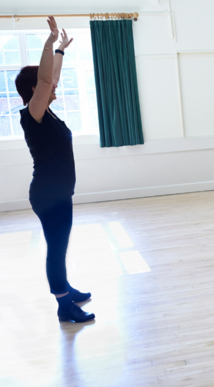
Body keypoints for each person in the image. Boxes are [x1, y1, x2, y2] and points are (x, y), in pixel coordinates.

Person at [14, 16, 94, 323]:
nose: (54, 85)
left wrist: (60, 51)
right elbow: (47, 82)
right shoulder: (32, 114)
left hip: (58, 192)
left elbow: (51, 79)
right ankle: (64, 306)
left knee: (60, 246)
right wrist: (48, 43)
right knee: (56, 248)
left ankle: (65, 288)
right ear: (34, 89)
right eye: (45, 84)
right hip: (48, 194)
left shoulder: (46, 112)